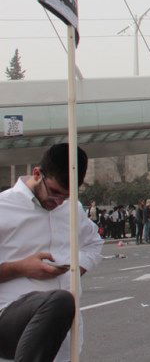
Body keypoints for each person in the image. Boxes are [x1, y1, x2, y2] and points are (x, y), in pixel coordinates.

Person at [0, 143, 103, 362]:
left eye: (65, 196)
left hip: (61, 334)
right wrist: (21, 268)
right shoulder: (3, 208)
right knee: (59, 301)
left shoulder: (72, 209)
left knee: (61, 302)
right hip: (8, 321)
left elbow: (93, 244)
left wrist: (75, 269)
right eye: (55, 192)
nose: (57, 202)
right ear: (37, 174)